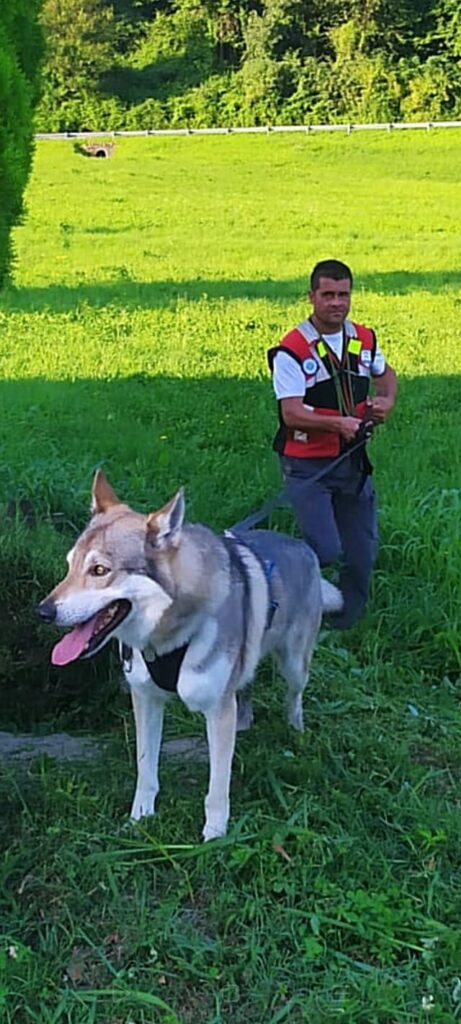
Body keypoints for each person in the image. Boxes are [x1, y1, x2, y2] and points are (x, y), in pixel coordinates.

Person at [268, 258, 397, 629]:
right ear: (312, 297)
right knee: (325, 549)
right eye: (328, 295)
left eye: (343, 294)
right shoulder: (292, 349)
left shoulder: (363, 339)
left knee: (362, 550)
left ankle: (345, 620)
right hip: (307, 464)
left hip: (354, 462)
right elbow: (291, 413)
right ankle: (285, 590)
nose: (337, 303)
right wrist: (337, 423)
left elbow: (386, 375)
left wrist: (386, 399)